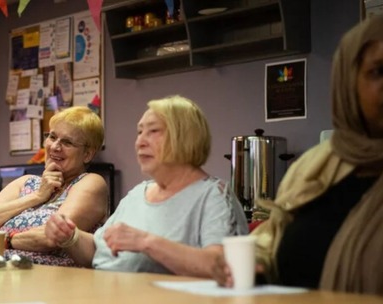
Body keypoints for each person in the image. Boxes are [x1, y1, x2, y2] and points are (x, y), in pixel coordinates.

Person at [212, 14, 383, 298]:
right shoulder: (318, 163)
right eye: (377, 72)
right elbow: (271, 238)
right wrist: (253, 263)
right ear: (349, 84)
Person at [45, 95, 248, 277]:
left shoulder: (214, 196)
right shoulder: (138, 194)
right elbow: (99, 251)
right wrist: (70, 237)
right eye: (140, 132)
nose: (140, 142)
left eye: (153, 131)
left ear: (185, 137)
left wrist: (147, 243)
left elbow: (225, 267)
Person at [0, 106, 109, 266]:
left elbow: (51, 237)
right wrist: (36, 196)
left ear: (87, 154)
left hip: (50, 281)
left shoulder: (90, 182)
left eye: (67, 142)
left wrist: (6, 240)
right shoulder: (27, 182)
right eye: (52, 137)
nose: (55, 147)